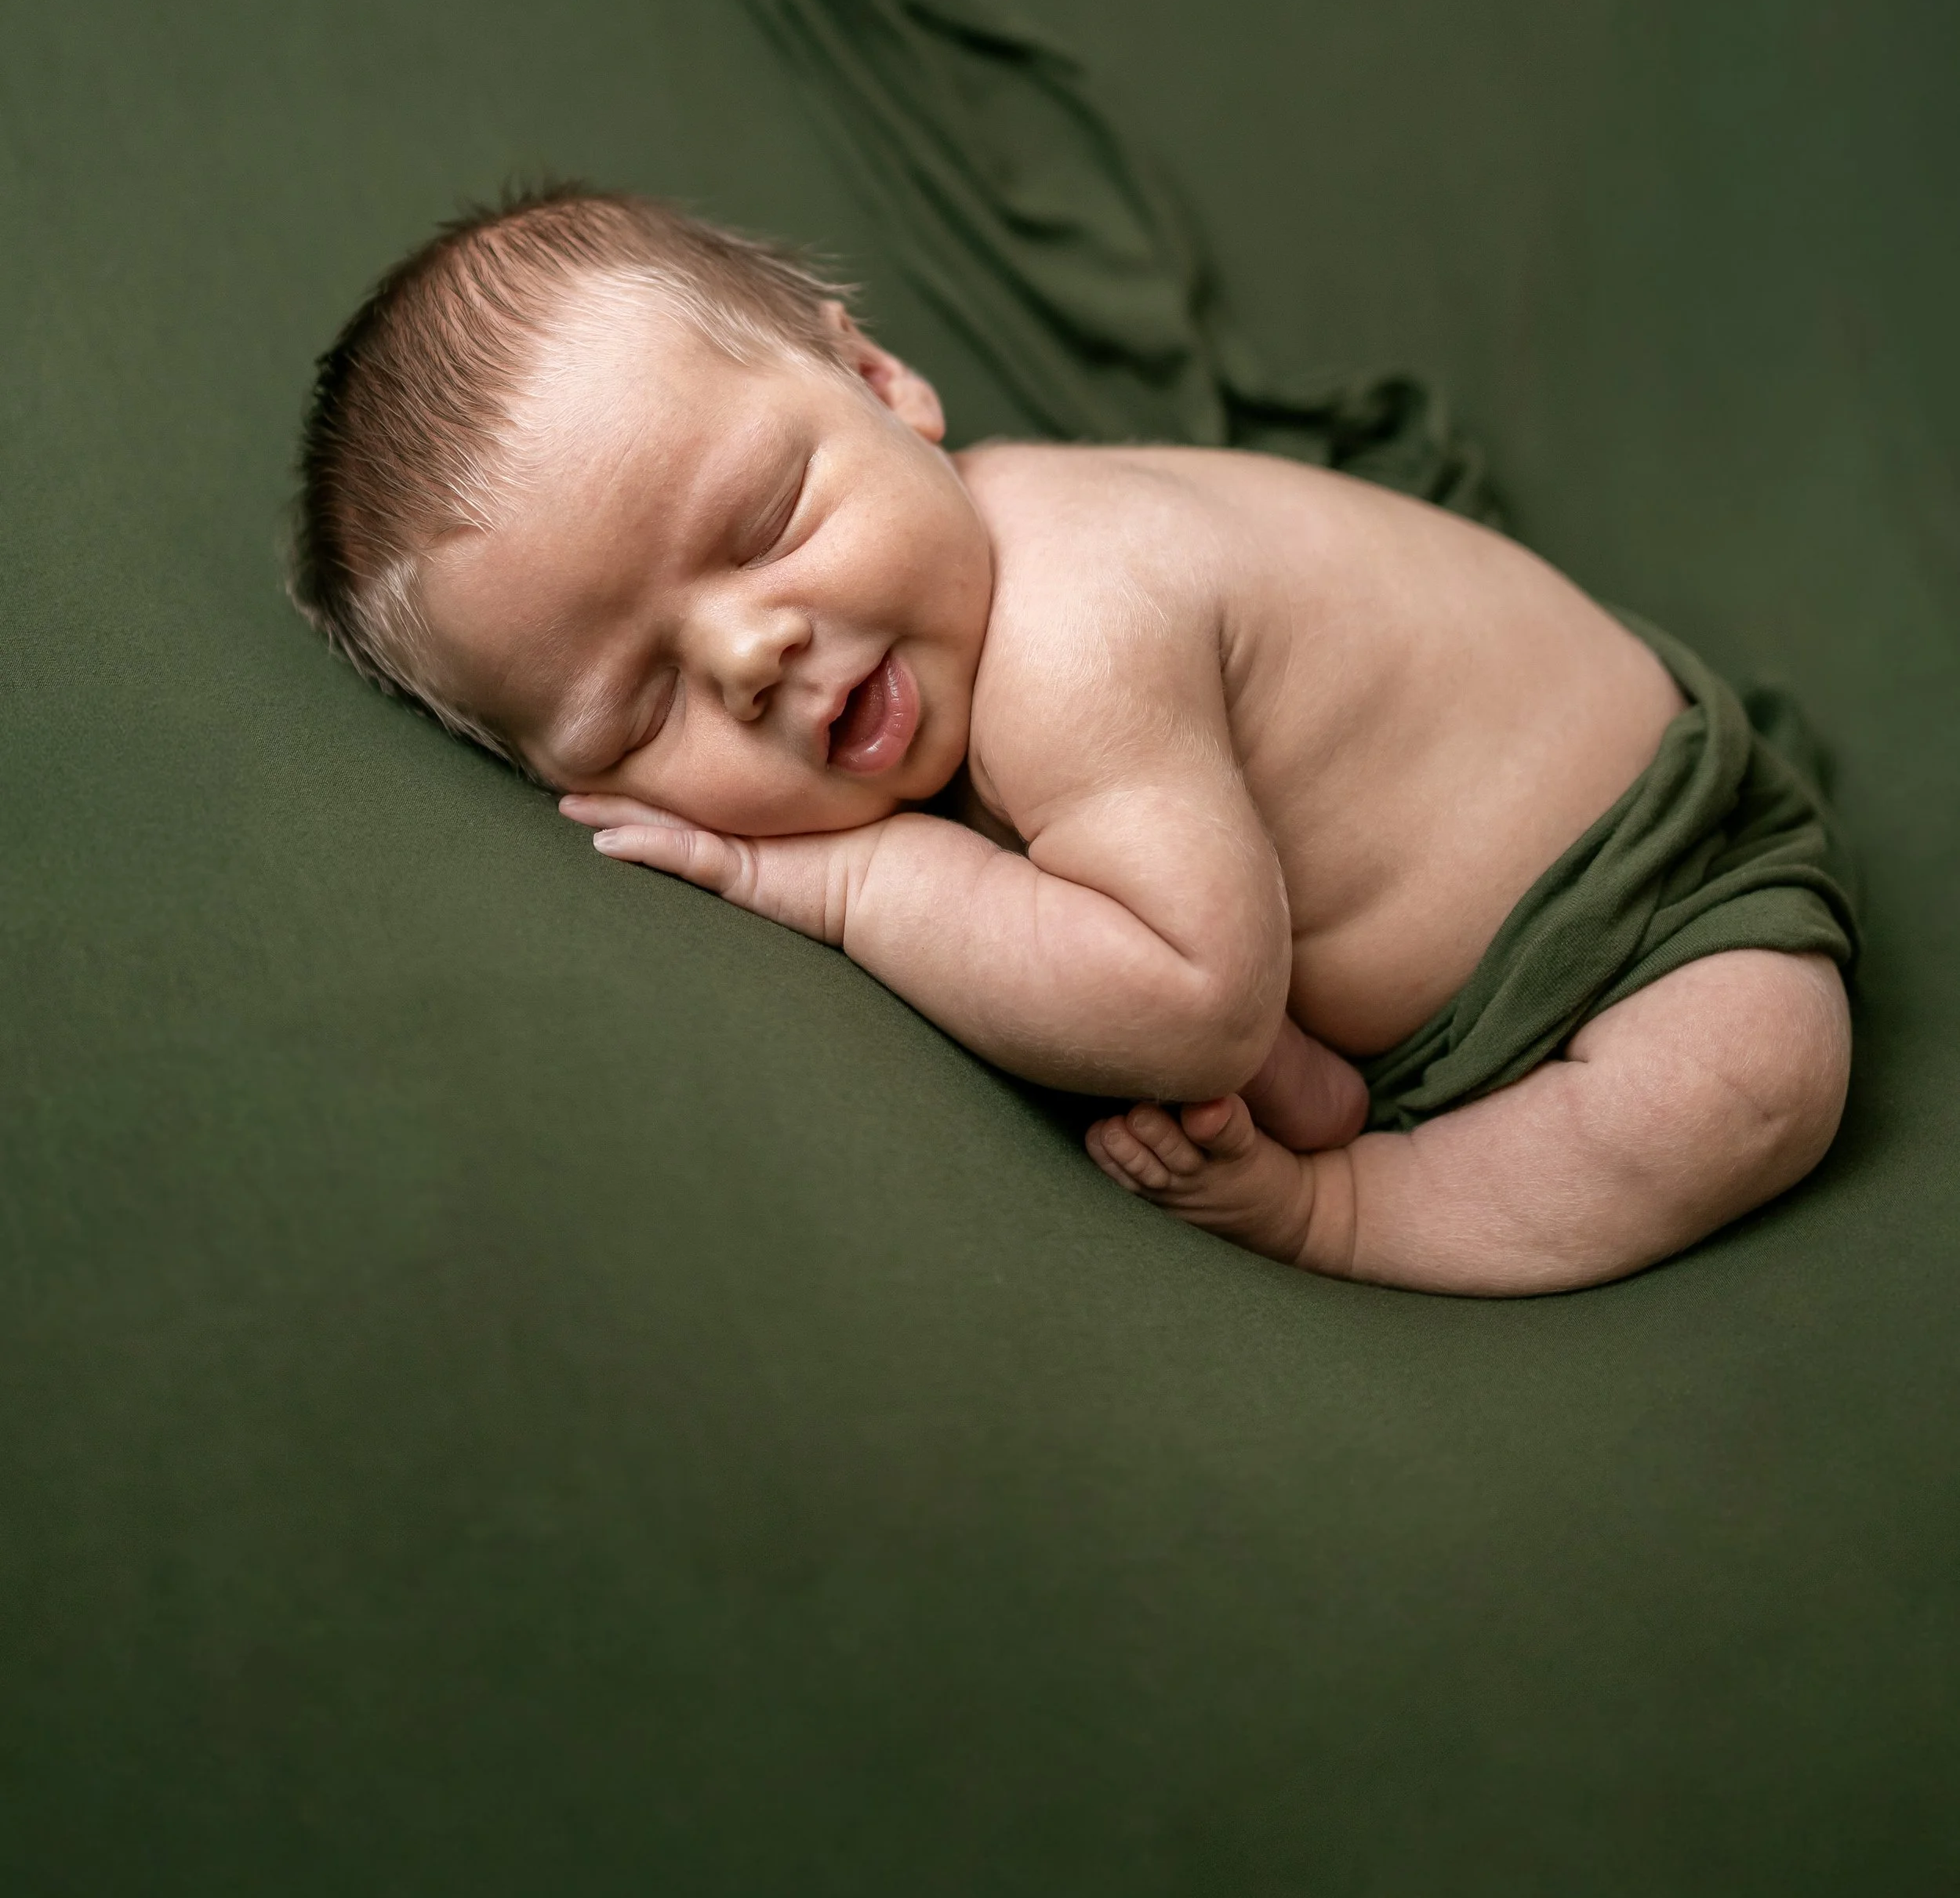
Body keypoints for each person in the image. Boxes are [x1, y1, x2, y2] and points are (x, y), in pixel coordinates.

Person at [290, 187, 1856, 1296]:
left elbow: (1187, 1006)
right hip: (1370, 950)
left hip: (1647, 872)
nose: (750, 654)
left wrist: (854, 889)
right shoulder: (931, 644)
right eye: (638, 706)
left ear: (882, 385)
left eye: (765, 521)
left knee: (1743, 1082)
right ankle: (1346, 1098)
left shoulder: (1067, 622)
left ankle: (1360, 1210)